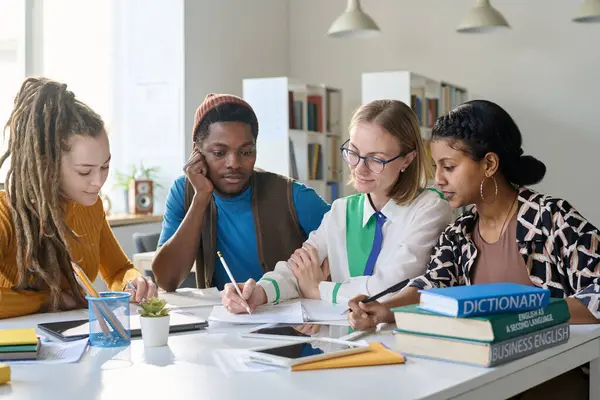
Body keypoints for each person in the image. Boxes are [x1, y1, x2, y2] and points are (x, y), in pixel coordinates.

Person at [348, 100, 598, 400]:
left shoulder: (551, 219)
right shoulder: (459, 233)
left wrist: (525, 311)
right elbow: (432, 285)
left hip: (551, 381)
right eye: (436, 166)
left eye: (449, 167)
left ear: (489, 164)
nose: (439, 179)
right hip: (482, 383)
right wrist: (385, 310)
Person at [221, 99, 453, 313]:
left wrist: (318, 289)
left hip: (402, 342)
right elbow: (297, 269)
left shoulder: (431, 208)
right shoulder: (341, 211)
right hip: (345, 340)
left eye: (375, 159)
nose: (359, 168)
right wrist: (258, 293)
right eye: (353, 152)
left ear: (408, 159)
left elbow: (390, 288)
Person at [0, 77, 156, 319]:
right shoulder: (5, 213)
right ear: (48, 164)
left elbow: (117, 270)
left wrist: (132, 282)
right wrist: (51, 299)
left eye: (105, 166)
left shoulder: (91, 207)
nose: (98, 181)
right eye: (85, 171)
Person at [152, 93, 330, 292]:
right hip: (222, 317)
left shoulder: (292, 196)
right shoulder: (184, 192)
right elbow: (167, 280)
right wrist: (201, 198)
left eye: (246, 152)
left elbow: (348, 250)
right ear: (197, 152)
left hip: (289, 320)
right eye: (219, 153)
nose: (234, 164)